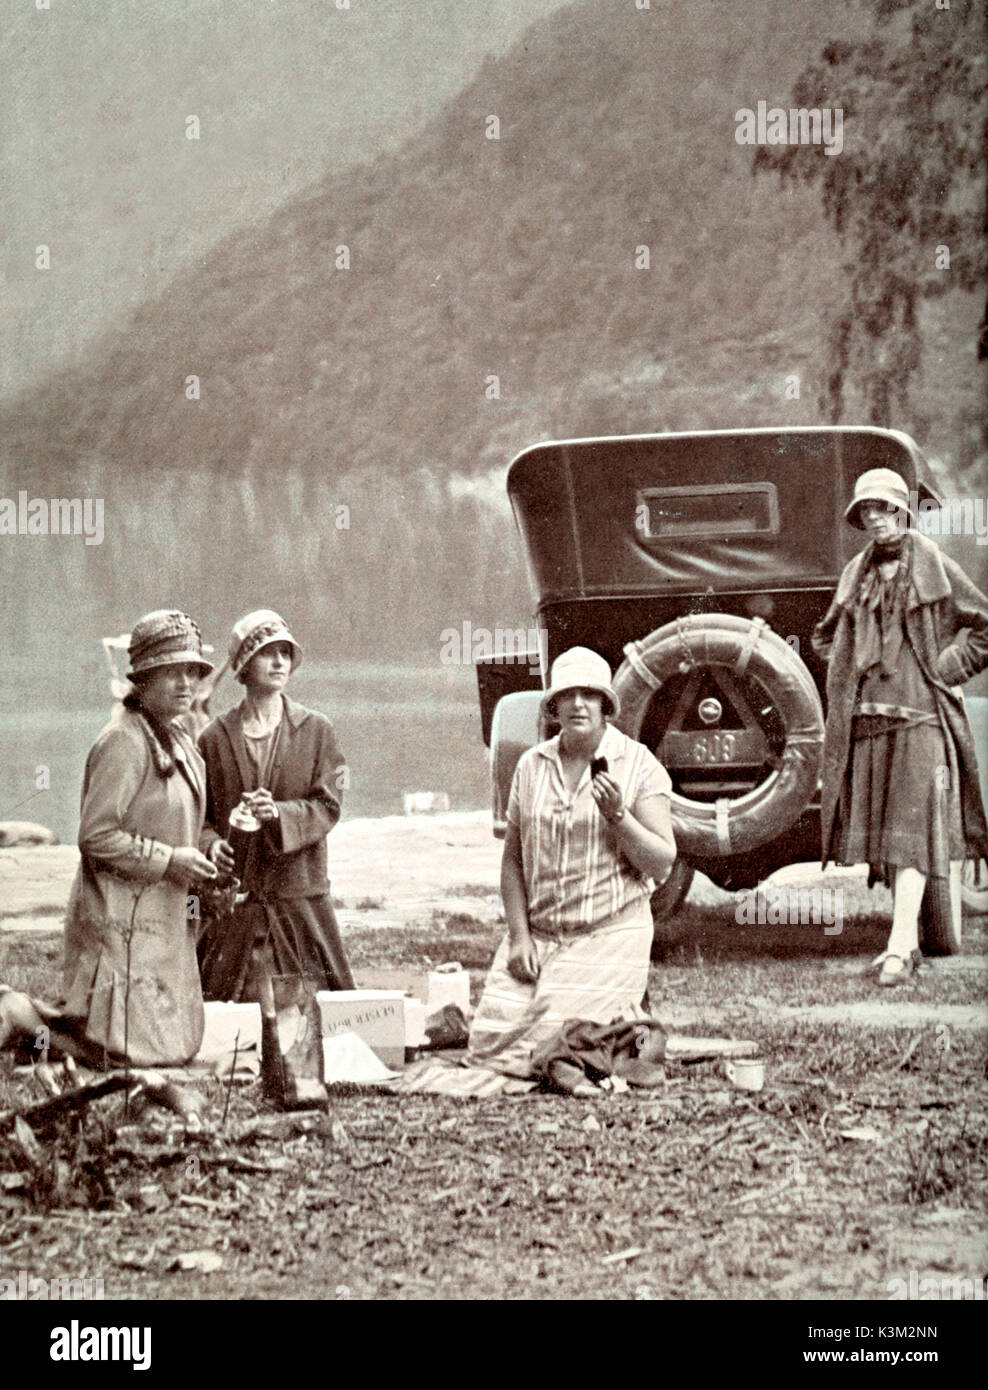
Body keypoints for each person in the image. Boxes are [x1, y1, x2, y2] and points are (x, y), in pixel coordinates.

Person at [0, 611, 217, 1066]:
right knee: (128, 1056)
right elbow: (95, 837)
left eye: (192, 672)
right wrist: (168, 859)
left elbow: (187, 820)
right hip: (118, 919)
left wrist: (209, 849)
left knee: (173, 1052)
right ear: (142, 679)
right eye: (170, 672)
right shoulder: (122, 741)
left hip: (163, 918)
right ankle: (21, 1016)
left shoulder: (178, 738)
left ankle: (34, 1031)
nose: (186, 683)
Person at [812, 468, 988, 986]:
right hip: (866, 726)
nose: (878, 520)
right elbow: (825, 637)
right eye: (868, 511)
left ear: (904, 512)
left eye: (886, 509)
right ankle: (906, 941)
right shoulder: (856, 573)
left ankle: (897, 945)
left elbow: (984, 626)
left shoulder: (934, 564)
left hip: (921, 722)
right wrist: (848, 676)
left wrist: (946, 670)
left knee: (911, 836)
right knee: (889, 839)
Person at [466, 646, 676, 1077]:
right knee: (487, 1043)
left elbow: (662, 864)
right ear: (554, 705)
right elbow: (512, 862)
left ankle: (615, 1023)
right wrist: (519, 937)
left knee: (550, 1038)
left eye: (590, 694)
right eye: (568, 694)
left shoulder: (639, 765)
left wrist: (619, 816)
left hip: (609, 932)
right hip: (541, 934)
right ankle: (609, 1028)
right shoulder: (531, 765)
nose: (579, 703)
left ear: (605, 705)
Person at [196, 610, 355, 1004]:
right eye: (268, 653)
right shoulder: (213, 738)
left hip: (301, 898)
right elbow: (197, 818)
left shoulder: (317, 730)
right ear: (244, 666)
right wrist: (211, 845)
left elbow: (328, 804)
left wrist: (280, 814)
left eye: (285, 652)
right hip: (237, 904)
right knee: (225, 1006)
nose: (280, 662)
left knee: (317, 1009)